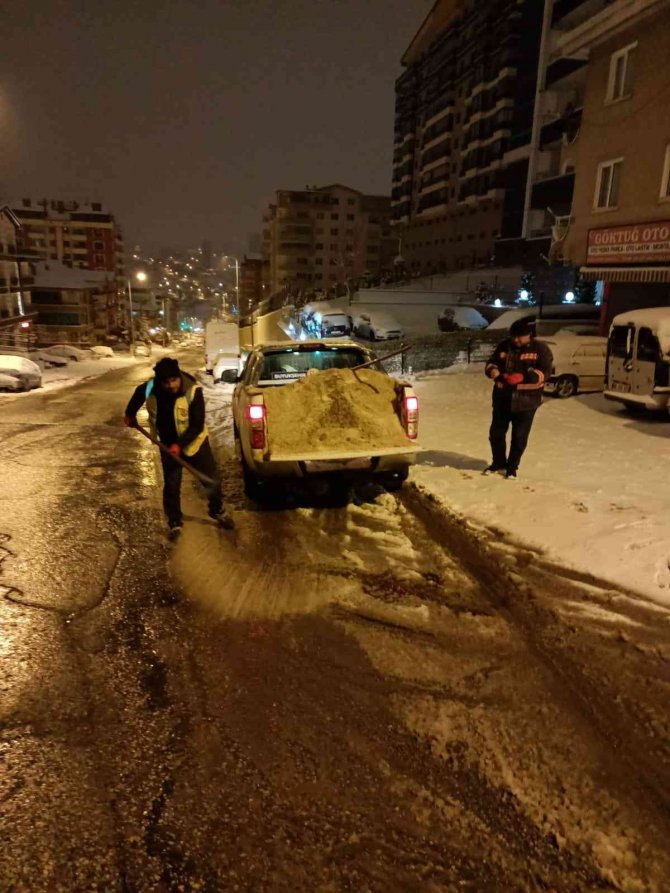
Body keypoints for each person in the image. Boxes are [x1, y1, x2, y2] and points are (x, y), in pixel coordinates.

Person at [123, 357, 233, 534]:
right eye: (166, 382)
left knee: (210, 479)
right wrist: (130, 413)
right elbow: (138, 393)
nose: (171, 386)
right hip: (166, 444)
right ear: (160, 381)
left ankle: (217, 510)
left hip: (194, 443)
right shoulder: (152, 387)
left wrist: (179, 445)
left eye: (174, 380)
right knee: (172, 484)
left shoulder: (192, 391)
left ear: (179, 376)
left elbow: (197, 425)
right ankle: (174, 521)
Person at [484, 318, 553, 479]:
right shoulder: (504, 346)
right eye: (513, 336)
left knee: (519, 436)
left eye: (519, 337)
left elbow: (545, 373)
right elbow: (491, 362)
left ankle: (512, 467)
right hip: (502, 399)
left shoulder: (540, 349)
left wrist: (524, 376)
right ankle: (498, 462)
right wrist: (493, 371)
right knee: (496, 433)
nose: (515, 340)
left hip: (526, 402)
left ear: (529, 335)